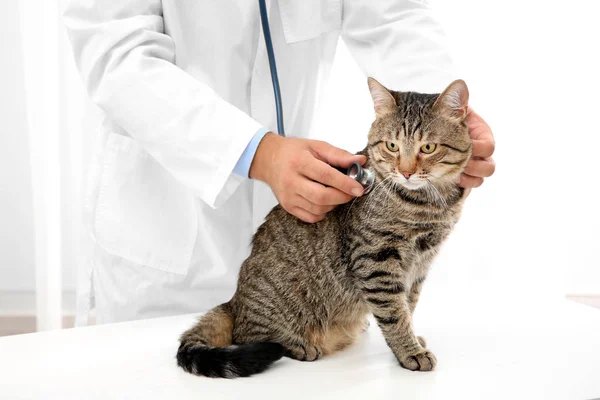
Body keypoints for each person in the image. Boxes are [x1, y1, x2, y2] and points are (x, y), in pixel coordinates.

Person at [63, 0, 495, 325]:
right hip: (167, 232)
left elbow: (391, 15)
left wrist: (441, 124)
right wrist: (257, 152)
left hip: (299, 275)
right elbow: (116, 53)